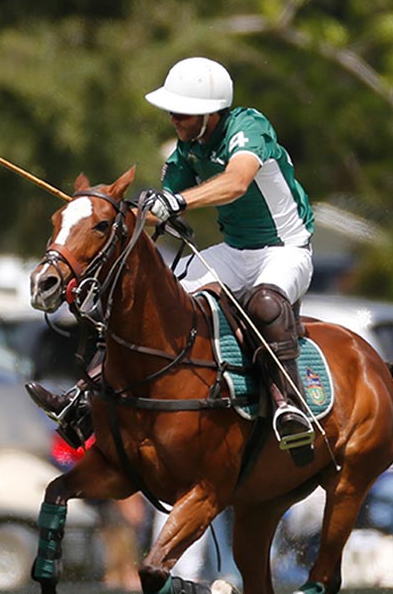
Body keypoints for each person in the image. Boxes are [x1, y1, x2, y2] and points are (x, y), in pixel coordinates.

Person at [26, 56, 317, 447]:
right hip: (234, 252)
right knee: (160, 304)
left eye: (182, 112)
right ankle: (84, 395)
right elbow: (156, 209)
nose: (173, 119)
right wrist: (100, 210)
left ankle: (291, 405)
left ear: (209, 113)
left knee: (266, 305)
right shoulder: (186, 149)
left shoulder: (247, 127)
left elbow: (235, 182)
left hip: (286, 250)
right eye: (172, 112)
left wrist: (176, 202)